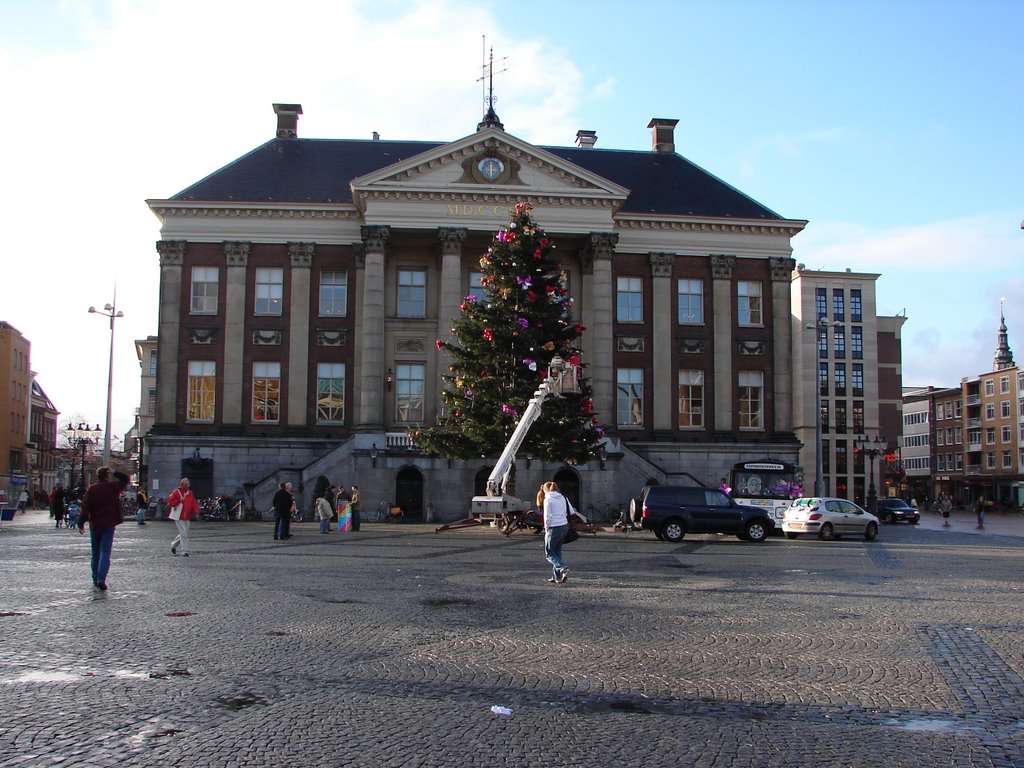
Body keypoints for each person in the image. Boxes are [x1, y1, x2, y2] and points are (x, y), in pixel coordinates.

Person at [77, 467, 129, 590]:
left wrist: (80, 523)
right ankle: (102, 578)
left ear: (97, 476)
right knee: (105, 552)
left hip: (95, 524)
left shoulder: (92, 489)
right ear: (107, 476)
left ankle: (95, 577)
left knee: (95, 553)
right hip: (109, 523)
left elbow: (85, 508)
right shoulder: (113, 488)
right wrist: (115, 471)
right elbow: (126, 479)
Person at [538, 481, 571, 584]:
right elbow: (572, 511)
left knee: (549, 553)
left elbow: (547, 516)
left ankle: (562, 567)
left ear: (545, 490)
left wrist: (546, 528)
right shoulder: (563, 497)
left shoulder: (548, 499)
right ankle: (556, 577)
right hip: (564, 526)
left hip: (554, 526)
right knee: (557, 551)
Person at [167, 477, 200, 556]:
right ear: (182, 484)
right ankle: (184, 550)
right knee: (183, 533)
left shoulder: (190, 493)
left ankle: (174, 545)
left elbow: (193, 503)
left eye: (188, 484)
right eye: (186, 485)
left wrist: (196, 512)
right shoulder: (176, 492)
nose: (188, 486)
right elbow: (171, 503)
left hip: (186, 516)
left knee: (183, 533)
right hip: (178, 516)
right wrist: (179, 500)